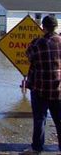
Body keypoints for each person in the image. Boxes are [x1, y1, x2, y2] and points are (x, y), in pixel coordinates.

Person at [26, 15, 61, 152]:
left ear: (43, 27)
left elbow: (29, 56)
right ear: (56, 26)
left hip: (40, 89)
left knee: (40, 119)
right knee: (59, 121)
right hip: (59, 89)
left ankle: (37, 148)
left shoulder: (37, 43)